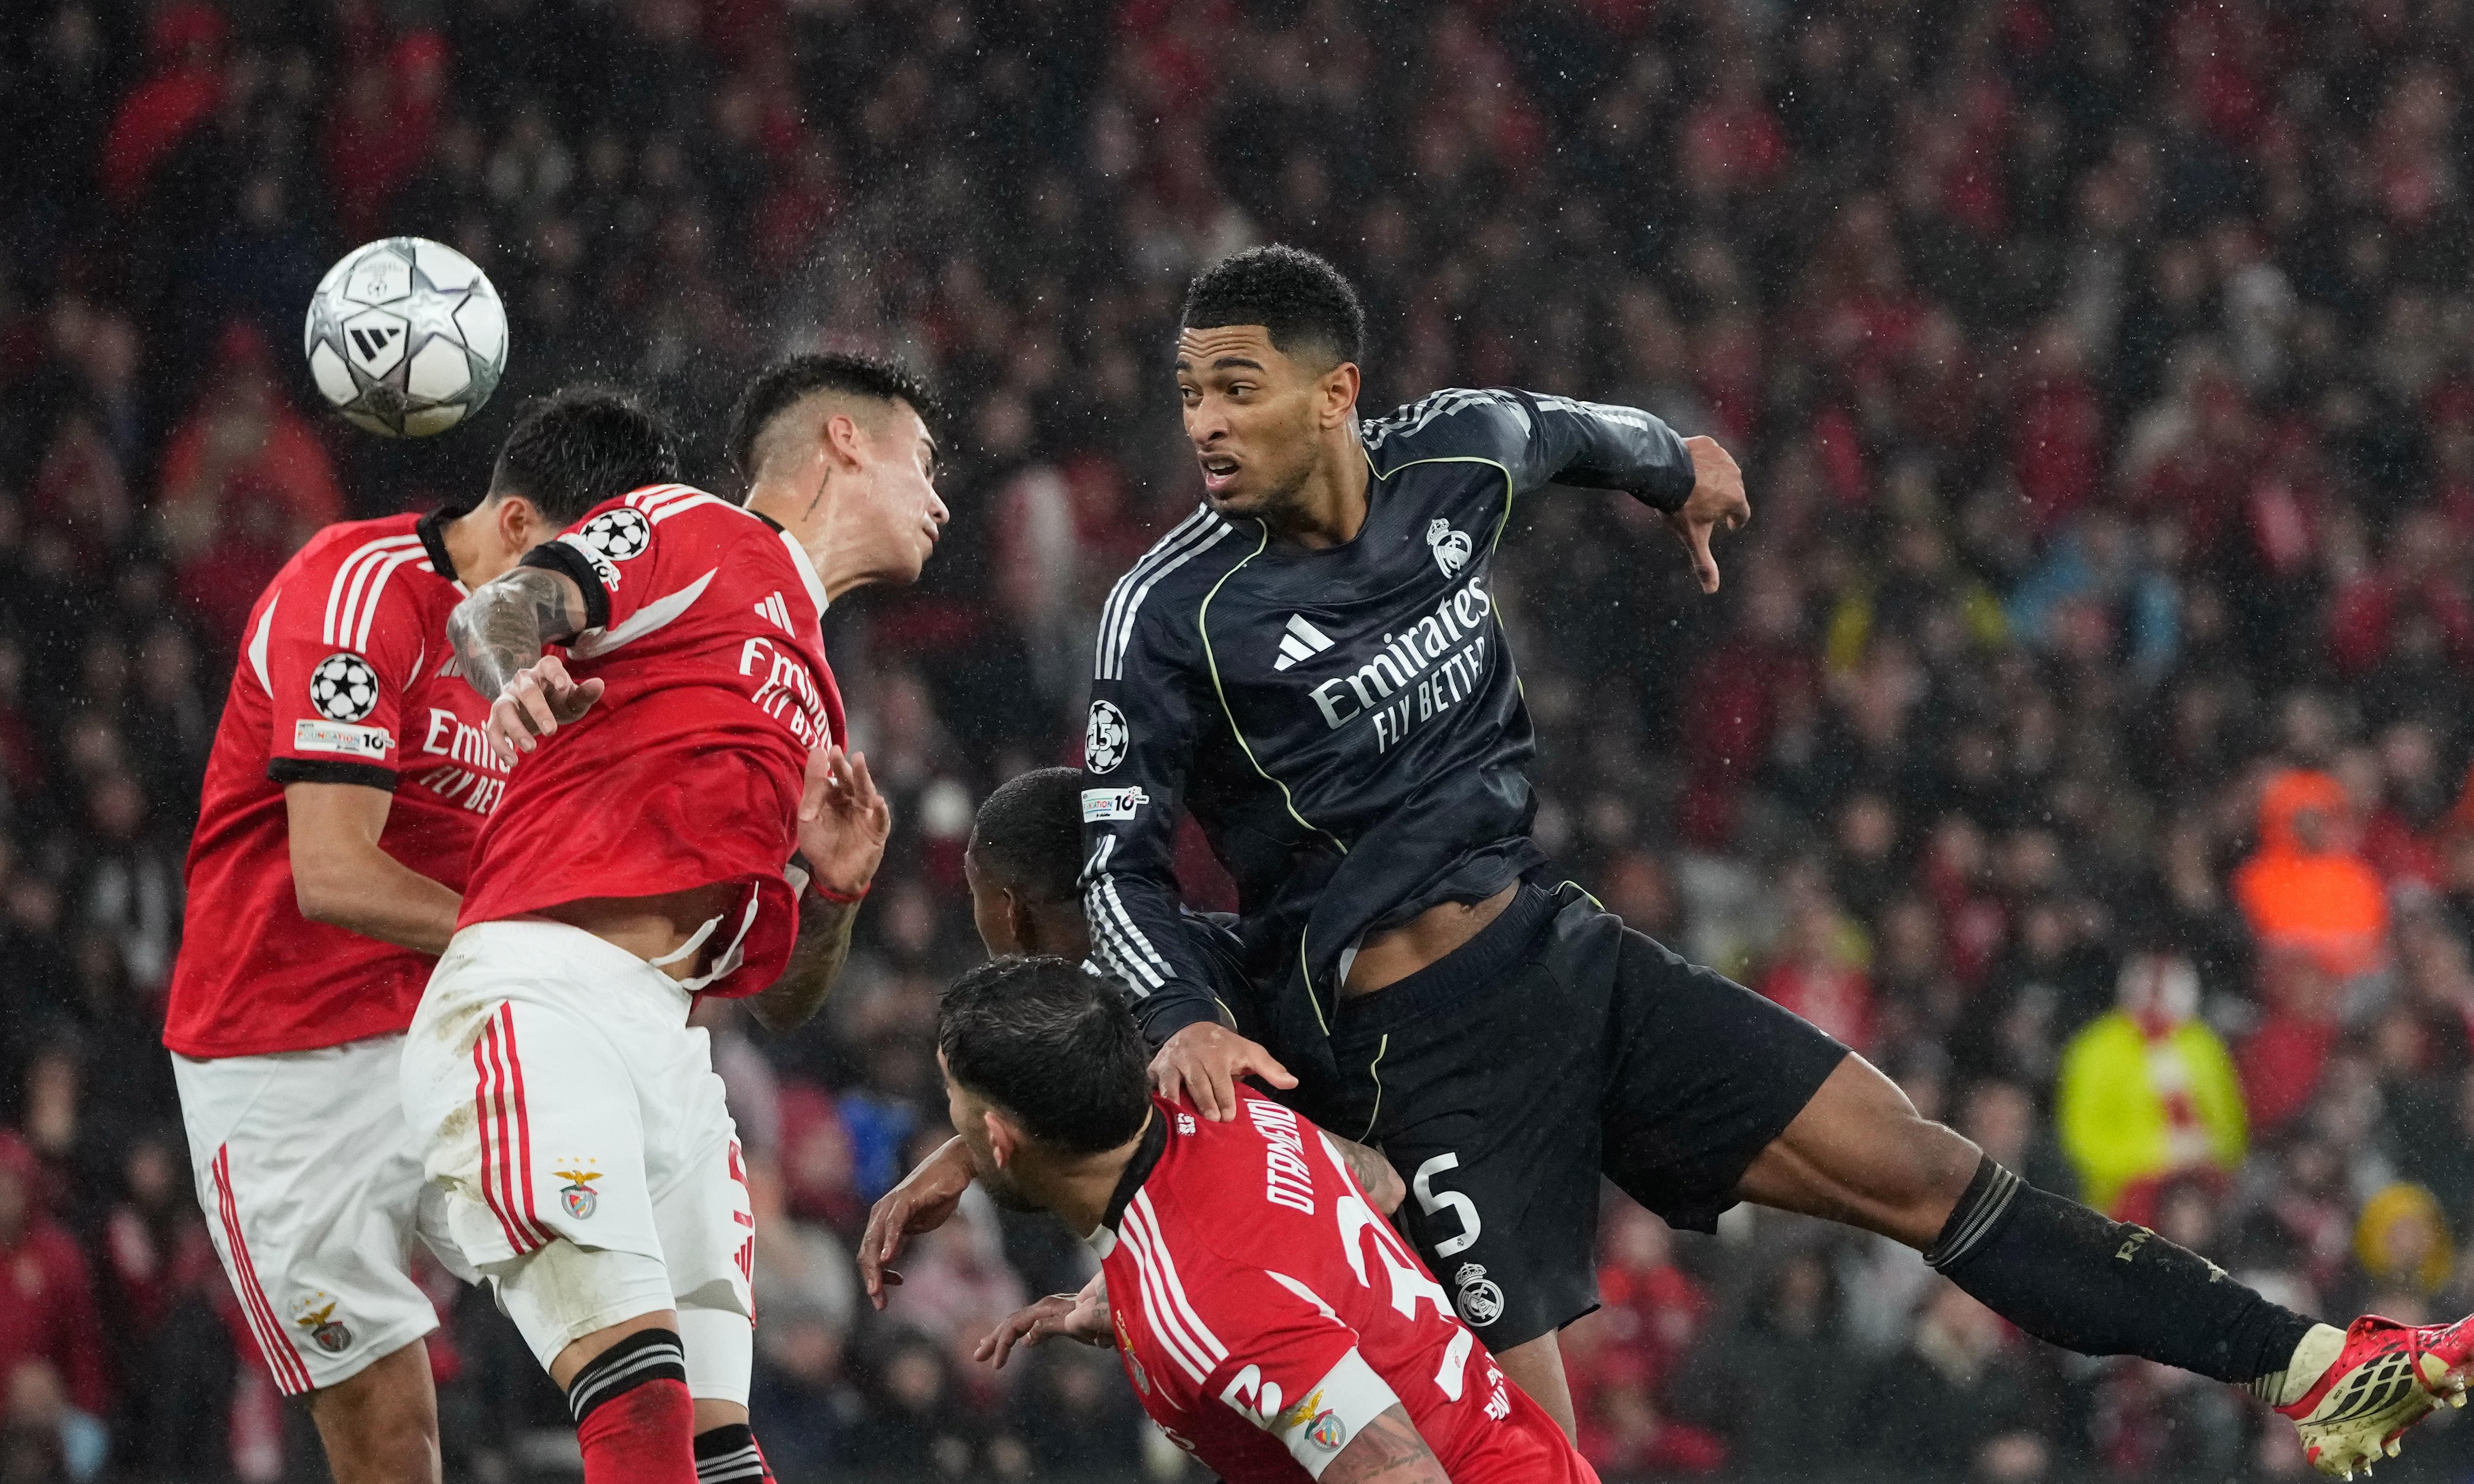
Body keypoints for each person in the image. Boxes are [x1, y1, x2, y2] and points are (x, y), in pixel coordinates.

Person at [1074, 243, 2474, 1478]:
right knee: (1523, 1463)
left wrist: (1679, 467)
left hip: (1562, 956)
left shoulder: (1450, 452)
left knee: (1921, 1167)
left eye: (1237, 388)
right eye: (1191, 392)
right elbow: (1113, 859)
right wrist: (1179, 1012)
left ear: (1335, 393)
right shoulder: (1171, 612)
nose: (1205, 422)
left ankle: (2311, 1369)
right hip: (1412, 1058)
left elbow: (1574, 430)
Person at [399, 353, 947, 1484]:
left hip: (675, 1054)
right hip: (544, 1002)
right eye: (926, 462)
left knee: (722, 1454)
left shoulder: (817, 695)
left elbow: (783, 1001)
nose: (939, 500)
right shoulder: (696, 528)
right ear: (845, 439)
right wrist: (515, 677)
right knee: (640, 1413)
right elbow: (503, 608)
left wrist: (834, 892)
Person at [166, 390, 678, 1484]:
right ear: (517, 523)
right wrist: (540, 951)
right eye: (570, 568)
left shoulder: (568, 656)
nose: (582, 604)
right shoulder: (354, 592)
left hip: (456, 1028)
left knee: (642, 1314)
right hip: (282, 1054)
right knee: (391, 1444)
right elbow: (334, 872)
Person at [940, 956, 1596, 1484]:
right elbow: (1378, 1182)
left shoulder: (1211, 1301)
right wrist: (1140, 1302)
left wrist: (1194, 1306)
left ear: (998, 1137)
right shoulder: (1218, 1103)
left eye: (950, 1094)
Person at [859, 768, 1404, 1314]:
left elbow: (1333, 1179)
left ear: (1009, 909)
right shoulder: (1181, 946)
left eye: (974, 894)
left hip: (1356, 1288)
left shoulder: (1141, 1017)